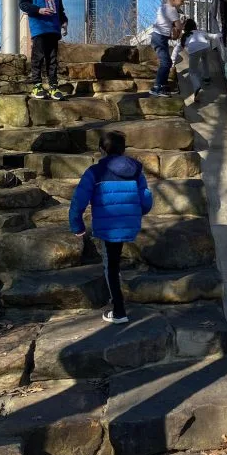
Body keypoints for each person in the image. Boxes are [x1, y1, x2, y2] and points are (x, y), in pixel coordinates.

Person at [68, 130, 153, 325]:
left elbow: (78, 200)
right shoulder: (135, 170)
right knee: (114, 262)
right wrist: (136, 213)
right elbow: (146, 199)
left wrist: (76, 224)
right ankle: (116, 299)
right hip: (128, 223)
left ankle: (119, 311)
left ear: (100, 150)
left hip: (108, 226)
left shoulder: (95, 172)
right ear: (123, 150)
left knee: (111, 266)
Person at [19, 0, 69, 101]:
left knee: (52, 59)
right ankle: (37, 85)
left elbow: (60, 10)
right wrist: (38, 10)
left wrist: (64, 22)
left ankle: (53, 86)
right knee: (38, 56)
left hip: (54, 28)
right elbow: (23, 3)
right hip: (39, 26)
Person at [150, 0, 186, 96]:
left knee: (168, 62)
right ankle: (157, 87)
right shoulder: (172, 11)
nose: (183, 3)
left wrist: (172, 33)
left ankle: (163, 86)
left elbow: (165, 26)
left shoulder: (163, 7)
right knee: (165, 63)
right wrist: (181, 27)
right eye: (182, 1)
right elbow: (179, 27)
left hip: (159, 37)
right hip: (159, 39)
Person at [172, 18, 220, 96]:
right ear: (194, 26)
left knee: (192, 71)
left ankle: (197, 87)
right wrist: (221, 34)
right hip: (206, 47)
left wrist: (172, 62)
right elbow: (213, 36)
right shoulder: (200, 32)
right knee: (205, 60)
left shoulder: (185, 36)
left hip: (195, 50)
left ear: (186, 28)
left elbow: (176, 49)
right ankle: (206, 78)